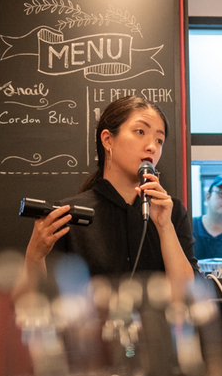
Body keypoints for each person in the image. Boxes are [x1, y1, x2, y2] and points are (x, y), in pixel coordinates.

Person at [18, 96, 198, 289]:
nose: (152, 146)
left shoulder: (171, 211)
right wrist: (34, 255)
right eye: (140, 131)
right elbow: (41, 302)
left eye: (159, 140)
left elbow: (188, 295)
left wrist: (165, 227)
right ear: (107, 139)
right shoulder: (68, 214)